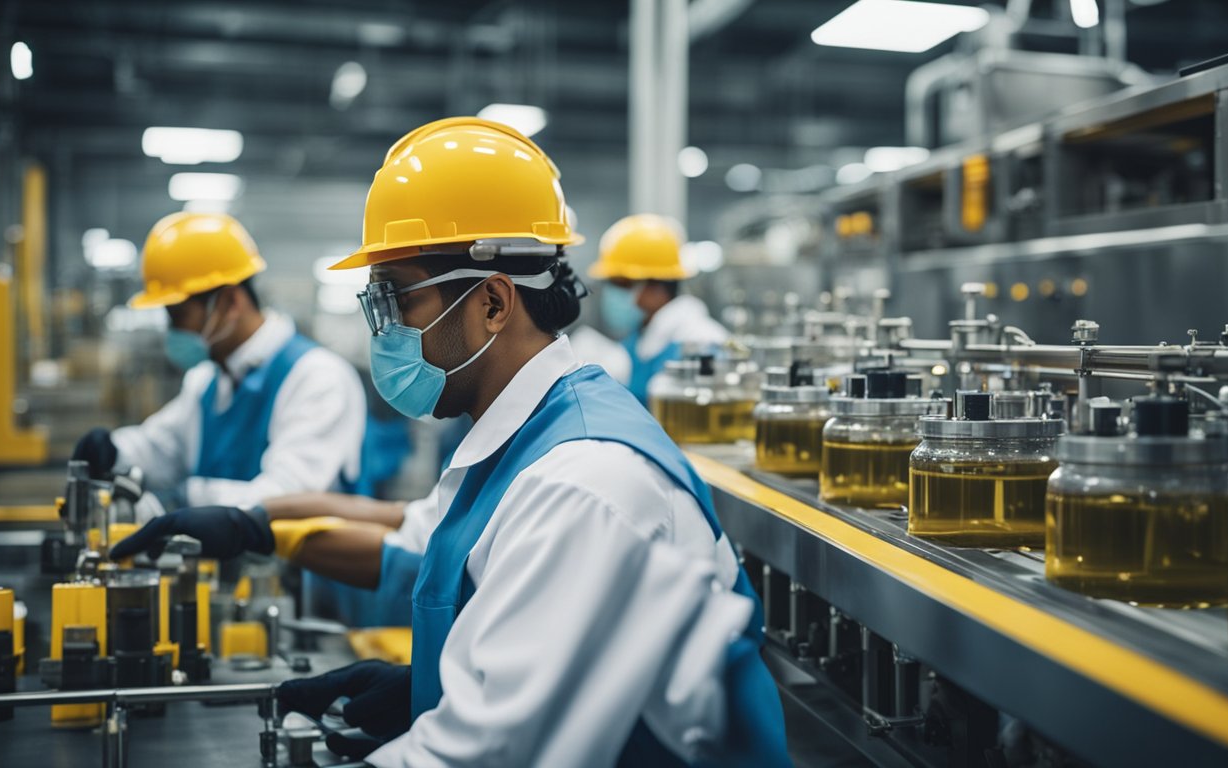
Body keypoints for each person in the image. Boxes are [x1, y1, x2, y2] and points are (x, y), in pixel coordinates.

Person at [112, 117, 789, 767]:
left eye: (398, 301)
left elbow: (480, 756)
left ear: (493, 303)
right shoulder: (524, 432)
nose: (384, 334)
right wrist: (254, 526)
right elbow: (412, 534)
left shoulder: (582, 486)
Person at [71, 212, 366, 514]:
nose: (173, 331)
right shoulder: (207, 381)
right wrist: (111, 452)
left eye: (179, 315)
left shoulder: (317, 377)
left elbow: (286, 497)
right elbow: (163, 447)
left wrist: (184, 497)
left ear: (230, 302)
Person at [582, 213, 729, 404]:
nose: (613, 294)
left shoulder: (703, 342)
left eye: (622, 284)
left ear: (656, 287)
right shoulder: (638, 341)